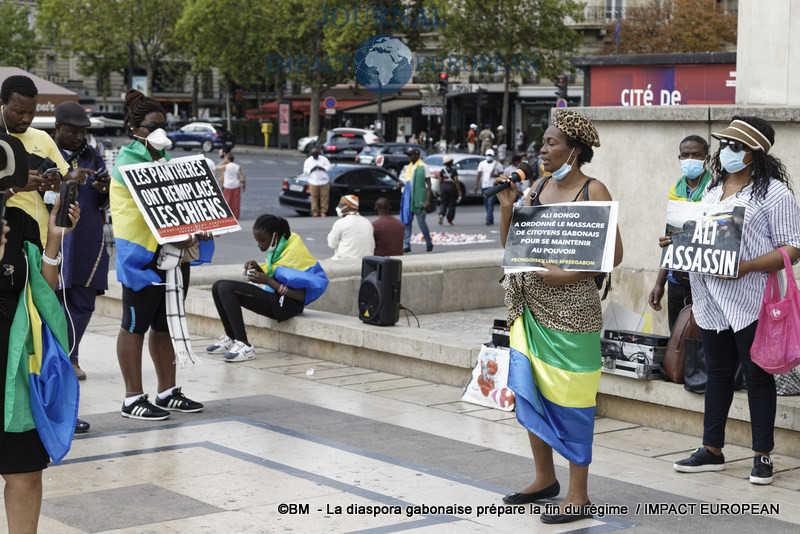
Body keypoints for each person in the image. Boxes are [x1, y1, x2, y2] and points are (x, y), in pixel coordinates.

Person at [495, 109, 623, 524]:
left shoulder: (593, 189)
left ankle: (578, 495)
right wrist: (507, 208)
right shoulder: (538, 187)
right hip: (530, 310)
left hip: (574, 314)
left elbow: (613, 255)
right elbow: (514, 247)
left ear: (576, 150)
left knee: (572, 400)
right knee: (530, 391)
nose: (543, 149)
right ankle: (544, 479)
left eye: (551, 143)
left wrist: (567, 275)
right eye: (544, 143)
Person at [669, 116, 800, 486]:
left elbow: (794, 246)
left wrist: (747, 267)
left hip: (752, 298)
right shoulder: (711, 191)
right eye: (724, 144)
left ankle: (762, 455)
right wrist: (676, 243)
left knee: (757, 376)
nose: (726, 151)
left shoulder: (774, 193)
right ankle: (712, 449)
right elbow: (699, 238)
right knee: (717, 373)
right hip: (711, 300)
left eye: (735, 146)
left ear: (754, 153)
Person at [110, 89, 213, 421]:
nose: (161, 132)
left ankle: (167, 391)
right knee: (135, 324)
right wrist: (178, 231)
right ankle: (132, 398)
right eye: (153, 126)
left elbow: (181, 202)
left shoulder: (164, 160)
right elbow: (149, 210)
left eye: (164, 126)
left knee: (166, 324)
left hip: (173, 256)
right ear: (135, 130)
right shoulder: (128, 162)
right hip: (143, 257)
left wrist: (200, 222)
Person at [1, 131, 80, 534]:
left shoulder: (18, 221)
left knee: (25, 473)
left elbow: (43, 292)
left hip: (15, 368)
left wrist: (53, 237)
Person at [207, 215, 328, 362]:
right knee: (217, 286)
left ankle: (244, 345)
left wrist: (268, 281)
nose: (259, 245)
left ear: (275, 236)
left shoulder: (293, 253)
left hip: (286, 305)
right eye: (257, 241)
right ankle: (232, 338)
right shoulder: (280, 247)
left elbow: (300, 297)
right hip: (276, 297)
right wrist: (258, 268)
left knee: (226, 287)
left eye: (262, 240)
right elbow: (276, 273)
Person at [0, 75, 91, 246]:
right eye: (20, 112)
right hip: (5, 244)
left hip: (41, 241)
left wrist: (56, 186)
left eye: (31, 112)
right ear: (1, 104)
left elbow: (72, 189)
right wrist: (16, 186)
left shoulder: (42, 138)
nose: (27, 118)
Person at [648, 135, 712, 331]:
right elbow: (671, 238)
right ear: (679, 158)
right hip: (676, 279)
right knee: (677, 338)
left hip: (706, 281)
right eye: (685, 155)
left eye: (696, 155)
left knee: (704, 342)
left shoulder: (716, 190)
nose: (690, 159)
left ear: (707, 159)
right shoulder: (675, 191)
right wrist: (660, 282)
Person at [399, 147, 433, 253]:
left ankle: (429, 242)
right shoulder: (408, 167)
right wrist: (402, 184)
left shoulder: (424, 167)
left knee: (421, 222)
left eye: (410, 155)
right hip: (408, 199)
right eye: (408, 155)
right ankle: (406, 244)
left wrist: (428, 200)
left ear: (417, 155)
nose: (408, 157)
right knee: (407, 222)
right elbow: (409, 183)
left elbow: (429, 185)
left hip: (419, 199)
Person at [327, 195, 375, 260]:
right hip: (365, 262)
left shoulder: (340, 223)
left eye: (341, 205)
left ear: (349, 208)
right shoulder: (367, 222)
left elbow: (331, 244)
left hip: (345, 262)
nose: (338, 208)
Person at [474, 148, 503, 225]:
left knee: (490, 203)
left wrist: (495, 175)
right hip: (484, 186)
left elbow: (502, 175)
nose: (489, 156)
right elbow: (479, 174)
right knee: (486, 203)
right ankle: (490, 218)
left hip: (493, 186)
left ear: (493, 156)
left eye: (490, 155)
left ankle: (488, 219)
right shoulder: (482, 164)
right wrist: (476, 185)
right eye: (488, 155)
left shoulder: (497, 164)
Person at [303, 147, 331, 217]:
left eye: (316, 154)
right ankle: (315, 211)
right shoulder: (308, 160)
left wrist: (323, 168)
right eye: (313, 155)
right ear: (311, 154)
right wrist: (312, 169)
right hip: (313, 181)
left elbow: (329, 167)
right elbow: (305, 170)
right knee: (314, 197)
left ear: (318, 154)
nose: (315, 156)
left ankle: (323, 211)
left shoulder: (324, 159)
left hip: (324, 181)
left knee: (324, 197)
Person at [217, 153, 245, 219]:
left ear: (227, 159)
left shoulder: (226, 166)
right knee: (236, 202)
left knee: (227, 201)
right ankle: (236, 216)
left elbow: (216, 167)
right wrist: (244, 185)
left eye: (225, 158)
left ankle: (227, 215)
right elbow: (243, 176)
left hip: (227, 186)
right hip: (236, 186)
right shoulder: (238, 166)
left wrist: (223, 162)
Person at [438, 155, 461, 225]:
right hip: (452, 188)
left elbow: (440, 181)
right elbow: (456, 180)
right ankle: (449, 220)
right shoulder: (454, 170)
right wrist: (459, 190)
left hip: (444, 187)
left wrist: (440, 190)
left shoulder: (442, 171)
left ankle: (441, 214)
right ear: (451, 162)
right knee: (452, 204)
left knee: (443, 202)